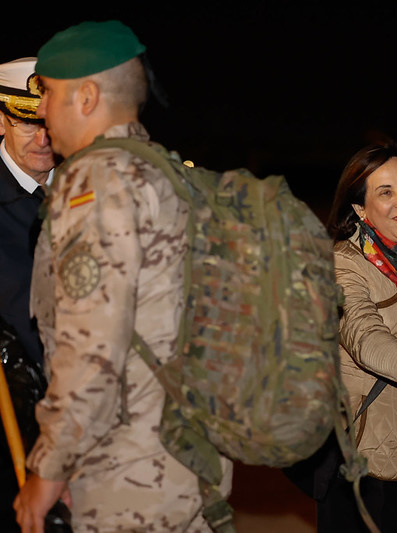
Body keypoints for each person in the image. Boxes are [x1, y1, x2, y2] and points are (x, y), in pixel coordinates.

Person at [12, 20, 232, 533]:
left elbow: (92, 347)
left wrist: (49, 467)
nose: (41, 109)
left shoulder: (95, 184)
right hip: (196, 461)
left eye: (48, 92)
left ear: (87, 97)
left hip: (129, 475)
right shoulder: (172, 175)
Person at [318, 140, 397, 532]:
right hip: (360, 453)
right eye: (385, 192)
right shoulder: (342, 264)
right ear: (361, 208)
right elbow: (364, 338)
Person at [0, 57, 56, 533]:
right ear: (1, 119)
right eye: (26, 122)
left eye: (50, 123)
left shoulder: (94, 190)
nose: (42, 139)